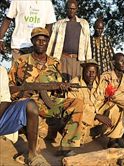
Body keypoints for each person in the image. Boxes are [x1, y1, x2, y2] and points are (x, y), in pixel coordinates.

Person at [8, 27, 85, 157]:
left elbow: (57, 89)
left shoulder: (55, 63)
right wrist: (20, 94)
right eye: (38, 40)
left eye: (44, 40)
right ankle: (33, 147)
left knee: (77, 103)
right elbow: (9, 85)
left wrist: (61, 89)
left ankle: (66, 146)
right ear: (32, 41)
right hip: (29, 105)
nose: (41, 43)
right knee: (35, 146)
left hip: (49, 104)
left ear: (48, 42)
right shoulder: (21, 61)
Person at [0, 66, 49, 165]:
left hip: (1, 117)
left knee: (30, 106)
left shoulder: (1, 70)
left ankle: (32, 155)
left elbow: (4, 100)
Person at [47, 0, 91, 82]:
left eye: (73, 9)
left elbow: (88, 44)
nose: (71, 11)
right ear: (66, 9)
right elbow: (52, 42)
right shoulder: (59, 23)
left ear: (76, 9)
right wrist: (48, 57)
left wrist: (88, 61)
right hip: (63, 59)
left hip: (78, 60)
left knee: (76, 83)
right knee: (61, 82)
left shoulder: (84, 23)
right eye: (69, 8)